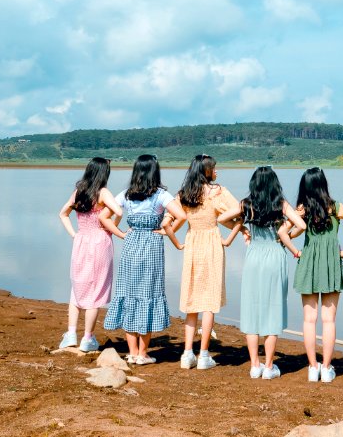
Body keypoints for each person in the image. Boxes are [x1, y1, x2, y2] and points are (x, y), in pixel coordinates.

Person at [219, 166, 305, 379]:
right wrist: (287, 235)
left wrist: (242, 227)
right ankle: (268, 367)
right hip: (275, 255)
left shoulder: (246, 204)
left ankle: (254, 365)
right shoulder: (281, 204)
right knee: (273, 308)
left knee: (252, 309)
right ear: (275, 184)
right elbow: (301, 224)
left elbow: (221, 219)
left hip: (254, 256)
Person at [100, 154, 185, 365]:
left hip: (131, 245)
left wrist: (121, 234)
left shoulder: (126, 194)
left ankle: (132, 352)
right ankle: (143, 354)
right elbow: (182, 215)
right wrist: (167, 231)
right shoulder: (161, 195)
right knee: (148, 292)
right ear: (155, 171)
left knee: (129, 293)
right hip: (152, 246)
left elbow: (103, 217)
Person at [162, 154, 241, 370]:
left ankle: (187, 353)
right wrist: (235, 229)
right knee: (209, 301)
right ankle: (204, 354)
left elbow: (167, 223)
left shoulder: (184, 194)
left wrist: (177, 243)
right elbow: (238, 210)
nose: (217, 172)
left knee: (192, 300)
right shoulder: (217, 191)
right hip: (212, 243)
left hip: (193, 243)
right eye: (214, 168)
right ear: (207, 171)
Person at [290, 167, 343, 383]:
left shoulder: (302, 209)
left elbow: (284, 231)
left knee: (309, 320)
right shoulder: (337, 207)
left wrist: (294, 248)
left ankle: (312, 368)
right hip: (331, 264)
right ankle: (327, 368)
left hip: (309, 262)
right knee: (329, 320)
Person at [58, 157, 122, 352]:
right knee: (96, 291)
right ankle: (87, 338)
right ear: (104, 173)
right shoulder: (102, 192)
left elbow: (63, 214)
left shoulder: (79, 192)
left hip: (81, 241)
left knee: (77, 287)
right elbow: (118, 211)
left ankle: (70, 334)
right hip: (100, 242)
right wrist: (111, 228)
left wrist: (74, 234)